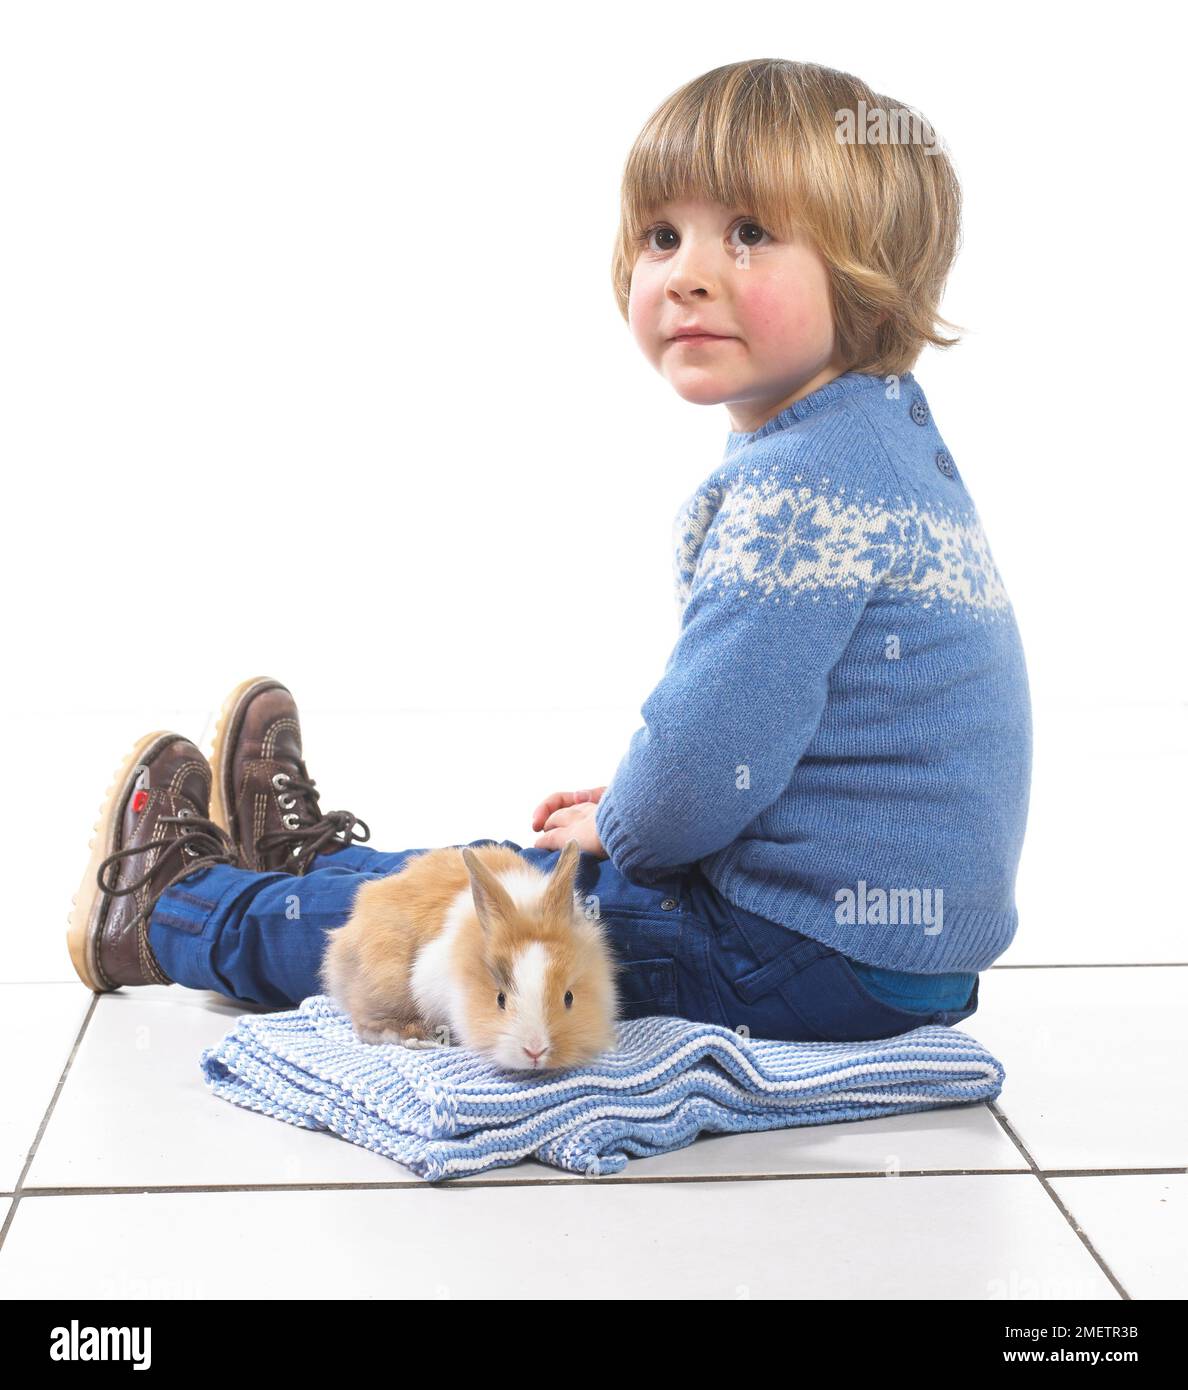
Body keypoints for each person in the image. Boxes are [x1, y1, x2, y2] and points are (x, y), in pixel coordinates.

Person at [67, 58, 1032, 1047]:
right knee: (499, 868)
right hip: (899, 956)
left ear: (870, 272)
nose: (688, 272)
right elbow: (813, 731)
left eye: (749, 235)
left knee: (484, 933)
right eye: (662, 237)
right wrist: (642, 808)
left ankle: (170, 914)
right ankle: (296, 866)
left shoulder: (803, 489)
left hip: (805, 951)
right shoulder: (879, 443)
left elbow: (713, 751)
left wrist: (635, 826)